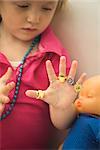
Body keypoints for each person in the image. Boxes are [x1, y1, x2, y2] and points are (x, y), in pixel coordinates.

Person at [0, 0, 86, 149]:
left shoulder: (54, 56)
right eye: (23, 6)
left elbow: (62, 124)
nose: (34, 18)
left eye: (46, 8)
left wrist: (63, 108)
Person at [63, 75, 100, 149]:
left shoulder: (96, 124)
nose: (80, 99)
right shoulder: (79, 118)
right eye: (80, 95)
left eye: (89, 96)